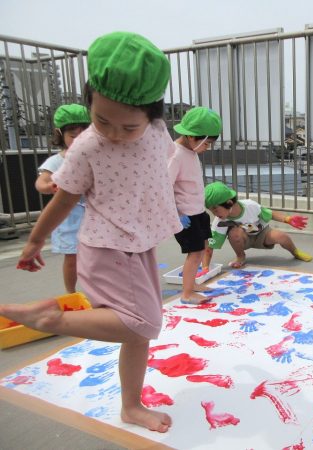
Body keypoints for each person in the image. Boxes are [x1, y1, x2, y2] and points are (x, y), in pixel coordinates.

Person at [0, 31, 181, 433]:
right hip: (109, 246)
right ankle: (52, 318)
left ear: (153, 115)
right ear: (90, 103)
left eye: (128, 126)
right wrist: (35, 240)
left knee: (138, 334)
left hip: (139, 243)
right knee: (141, 323)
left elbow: (160, 169)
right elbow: (63, 200)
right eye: (101, 120)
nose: (113, 133)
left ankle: (131, 406)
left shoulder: (158, 132)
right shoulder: (87, 147)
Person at [35, 104, 90, 293]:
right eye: (73, 136)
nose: (78, 141)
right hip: (69, 218)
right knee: (72, 258)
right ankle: (71, 292)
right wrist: (49, 186)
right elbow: (41, 182)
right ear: (60, 134)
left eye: (84, 136)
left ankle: (99, 291)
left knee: (98, 258)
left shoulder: (95, 156)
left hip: (94, 216)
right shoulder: (57, 160)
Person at [169, 107, 222, 304]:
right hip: (185, 215)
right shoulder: (175, 154)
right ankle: (187, 293)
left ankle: (192, 284)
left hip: (197, 211)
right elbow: (164, 187)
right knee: (195, 252)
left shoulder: (190, 150)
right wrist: (176, 215)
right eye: (206, 143)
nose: (208, 147)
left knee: (203, 246)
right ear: (191, 137)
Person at [204, 181, 313, 268]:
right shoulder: (220, 222)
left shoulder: (250, 205)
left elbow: (270, 213)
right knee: (234, 232)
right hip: (244, 239)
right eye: (211, 210)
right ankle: (240, 256)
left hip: (261, 233)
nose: (214, 214)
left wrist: (288, 219)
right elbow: (210, 246)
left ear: (229, 203)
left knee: (282, 236)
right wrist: (205, 268)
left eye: (215, 209)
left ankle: (295, 252)